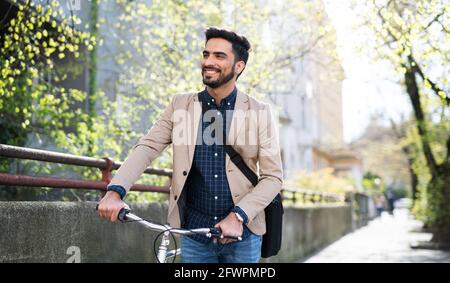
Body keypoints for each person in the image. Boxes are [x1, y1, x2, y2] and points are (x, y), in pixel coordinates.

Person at [97, 27, 283, 263]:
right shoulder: (180, 105)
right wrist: (115, 191)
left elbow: (273, 177)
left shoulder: (259, 111)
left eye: (219, 56)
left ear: (239, 66)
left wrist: (238, 216)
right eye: (206, 54)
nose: (209, 61)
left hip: (243, 235)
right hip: (194, 234)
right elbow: (147, 148)